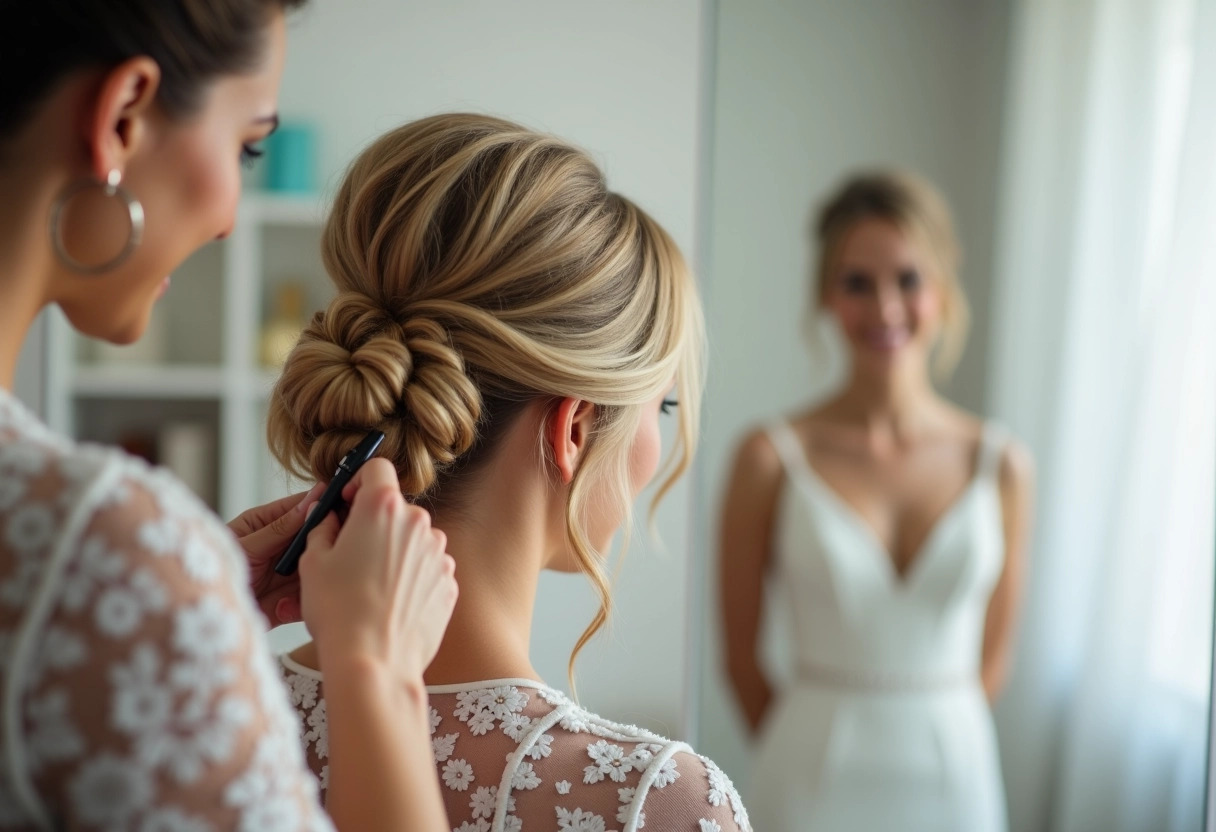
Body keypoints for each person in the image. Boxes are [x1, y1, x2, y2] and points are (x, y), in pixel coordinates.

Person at [0, 2, 458, 828]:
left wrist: (183, 608)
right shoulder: (97, 541)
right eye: (248, 147)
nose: (228, 221)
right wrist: (376, 670)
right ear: (122, 118)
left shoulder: (114, 564)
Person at [270, 113, 751, 832]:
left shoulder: (203, 703)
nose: (659, 445)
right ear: (575, 429)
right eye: (665, 406)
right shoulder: (654, 804)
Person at [719, 171, 1034, 831]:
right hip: (810, 777)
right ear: (826, 297)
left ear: (943, 289)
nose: (886, 308)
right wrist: (800, 750)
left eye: (909, 279)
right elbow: (741, 662)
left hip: (956, 775)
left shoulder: (1001, 465)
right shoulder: (769, 457)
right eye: (856, 282)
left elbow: (994, 659)